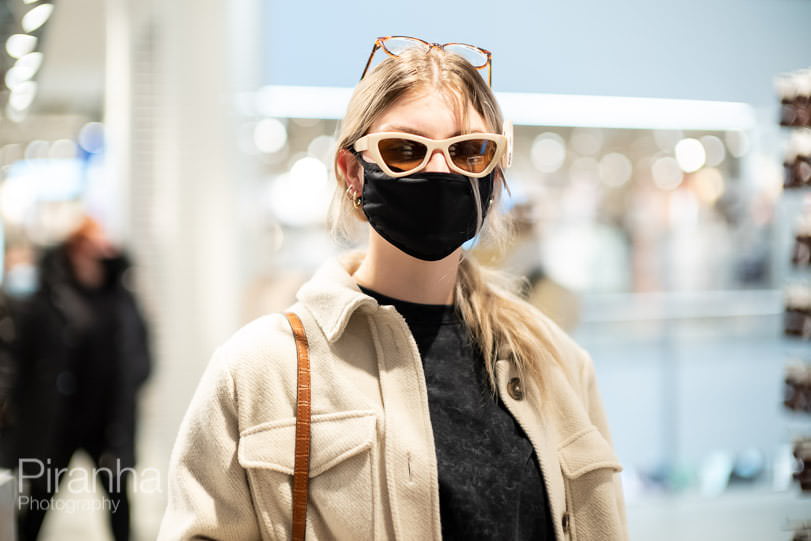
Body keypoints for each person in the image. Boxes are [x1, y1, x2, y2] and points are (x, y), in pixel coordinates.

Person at [158, 36, 627, 541]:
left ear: (495, 170)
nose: (440, 169)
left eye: (469, 151)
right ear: (351, 171)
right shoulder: (260, 370)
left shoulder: (554, 361)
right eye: (405, 150)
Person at [11, 216, 152, 541]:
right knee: (39, 497)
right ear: (73, 248)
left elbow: (140, 351)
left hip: (108, 420)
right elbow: (26, 357)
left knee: (118, 499)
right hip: (58, 420)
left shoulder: (121, 298)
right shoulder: (49, 297)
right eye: (88, 242)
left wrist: (132, 383)